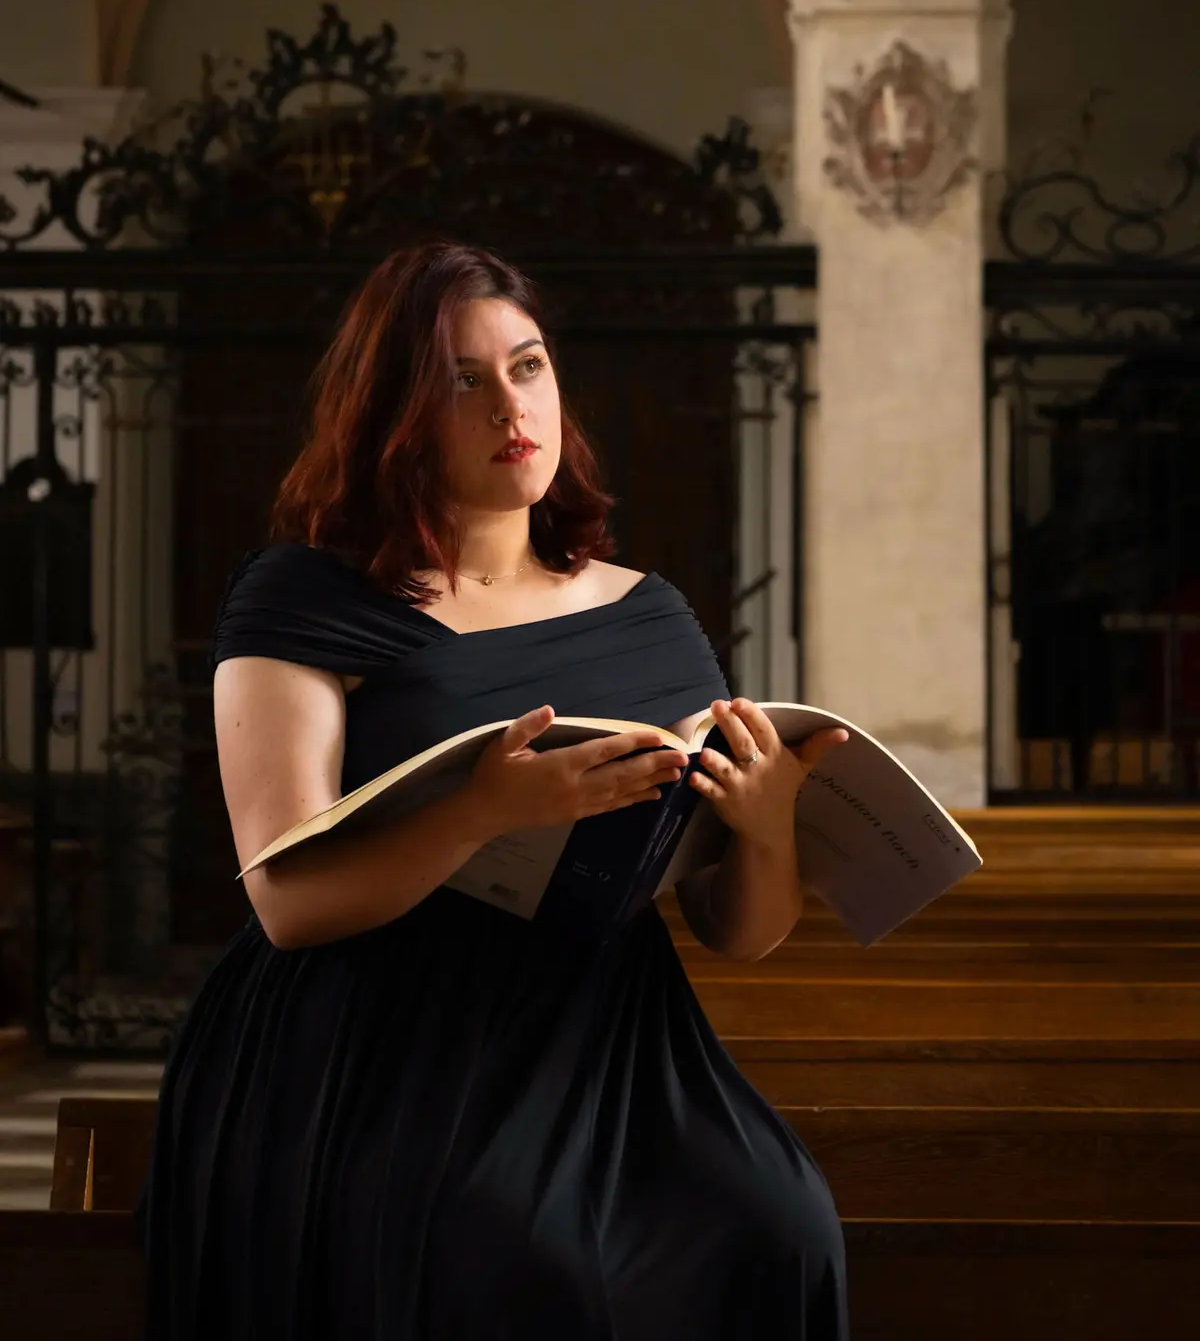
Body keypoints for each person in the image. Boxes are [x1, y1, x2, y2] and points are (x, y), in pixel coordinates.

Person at [138, 239, 849, 1339]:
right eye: (461, 382)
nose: (508, 405)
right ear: (394, 414)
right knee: (523, 1264)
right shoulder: (304, 595)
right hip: (380, 1039)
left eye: (527, 366)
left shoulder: (648, 612)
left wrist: (764, 833)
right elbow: (284, 904)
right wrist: (481, 813)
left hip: (610, 1032)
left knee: (785, 1226)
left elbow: (736, 932)